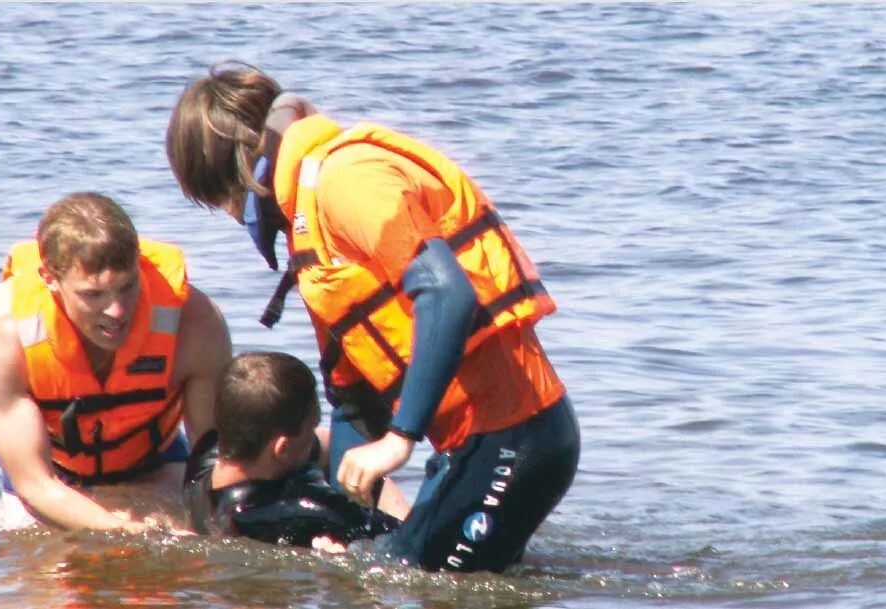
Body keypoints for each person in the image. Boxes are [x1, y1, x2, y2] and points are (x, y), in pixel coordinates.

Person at [165, 63, 581, 572]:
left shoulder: (346, 179)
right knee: (382, 564)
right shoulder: (307, 220)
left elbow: (448, 295)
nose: (232, 215)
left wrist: (399, 440)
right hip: (472, 445)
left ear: (242, 168)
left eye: (223, 199)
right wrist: (340, 513)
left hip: (514, 437)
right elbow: (354, 397)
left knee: (411, 575)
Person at [0, 192, 232, 532]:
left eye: (127, 287)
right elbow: (36, 486)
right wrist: (118, 529)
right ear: (49, 278)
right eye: (93, 295)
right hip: (52, 480)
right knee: (43, 567)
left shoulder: (195, 323)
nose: (116, 311)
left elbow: (214, 462)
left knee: (186, 541)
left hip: (156, 465)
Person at [184, 351, 405, 549]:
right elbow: (408, 539)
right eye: (312, 427)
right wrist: (379, 480)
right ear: (282, 447)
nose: (314, 434)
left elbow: (320, 445)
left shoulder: (202, 460)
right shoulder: (307, 510)